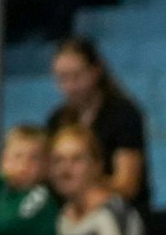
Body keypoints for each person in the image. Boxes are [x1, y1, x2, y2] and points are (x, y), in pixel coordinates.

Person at [47, 37, 149, 210]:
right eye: (62, 78)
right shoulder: (57, 119)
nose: (70, 86)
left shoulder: (123, 114)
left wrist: (80, 181)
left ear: (95, 71)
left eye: (77, 76)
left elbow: (127, 185)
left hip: (120, 213)